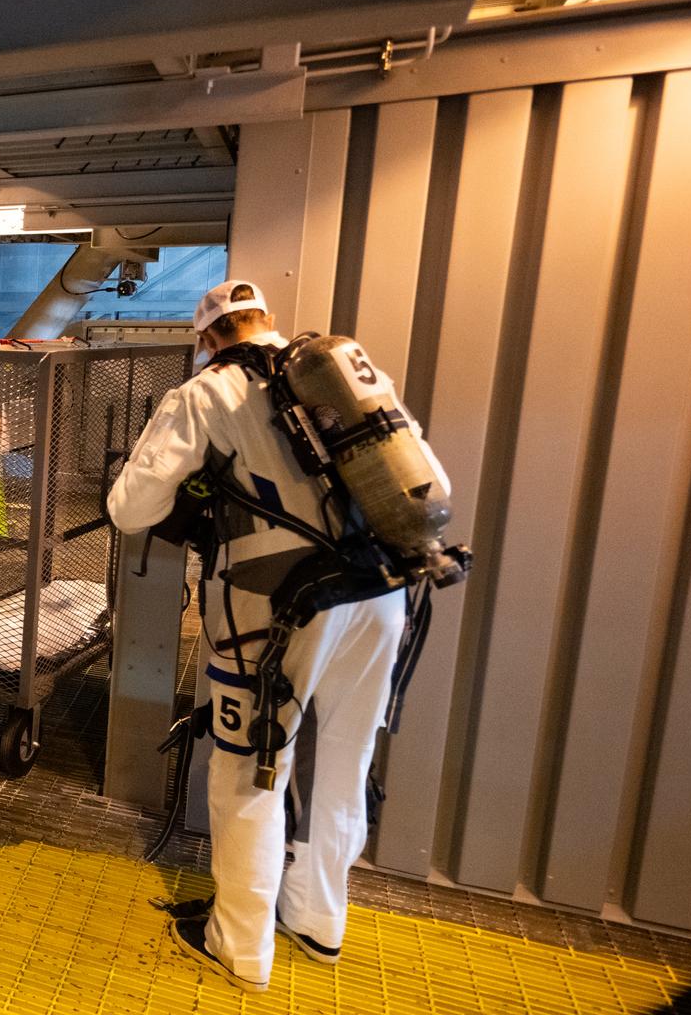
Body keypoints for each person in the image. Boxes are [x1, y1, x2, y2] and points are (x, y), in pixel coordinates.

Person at [106, 281, 448, 992]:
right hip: (380, 593)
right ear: (264, 321)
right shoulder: (350, 372)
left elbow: (131, 509)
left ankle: (241, 944)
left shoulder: (205, 394)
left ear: (207, 337)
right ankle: (320, 920)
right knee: (347, 763)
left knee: (251, 771)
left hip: (273, 606)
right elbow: (427, 480)